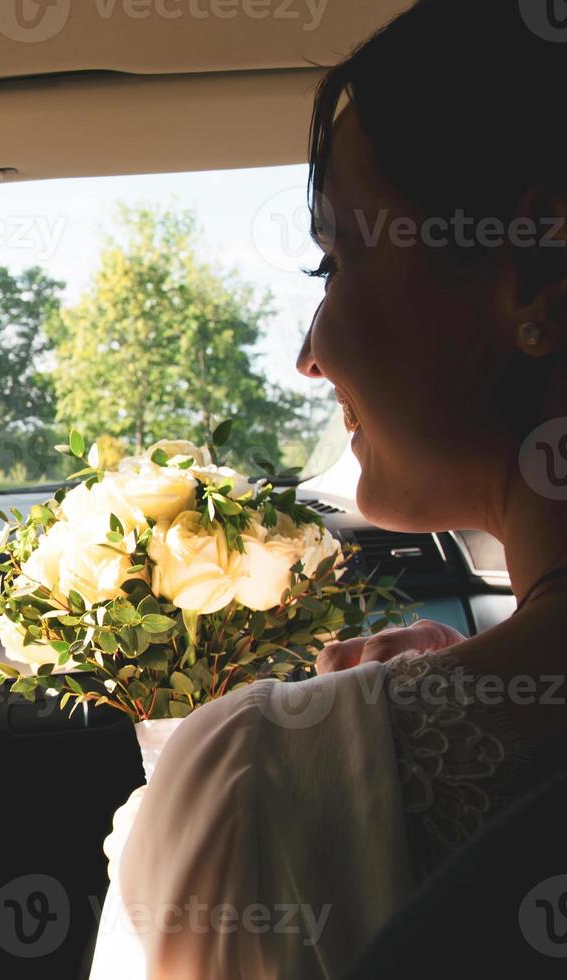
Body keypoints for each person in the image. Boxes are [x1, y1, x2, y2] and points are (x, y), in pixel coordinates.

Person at [91, 2, 567, 977]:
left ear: (533, 282)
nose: (308, 354)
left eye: (335, 259)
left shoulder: (261, 780)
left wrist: (260, 760)